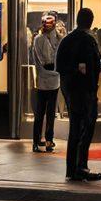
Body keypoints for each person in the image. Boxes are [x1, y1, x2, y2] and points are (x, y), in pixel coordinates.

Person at [56, 7, 101, 182]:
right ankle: (80, 166)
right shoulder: (87, 40)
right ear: (90, 21)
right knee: (84, 128)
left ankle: (73, 168)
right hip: (84, 91)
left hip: (71, 90)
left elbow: (59, 66)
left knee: (76, 128)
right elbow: (97, 64)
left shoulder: (66, 40)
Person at [31, 12, 62, 153]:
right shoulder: (39, 39)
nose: (49, 25)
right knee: (41, 113)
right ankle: (37, 141)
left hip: (53, 81)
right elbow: (46, 62)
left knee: (50, 114)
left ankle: (48, 140)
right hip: (44, 81)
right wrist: (57, 69)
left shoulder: (59, 38)